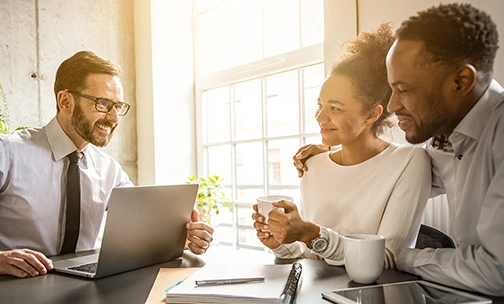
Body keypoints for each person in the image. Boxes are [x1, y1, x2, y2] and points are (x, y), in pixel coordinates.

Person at [294, 3, 504, 296]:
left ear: (461, 81)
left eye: (404, 89)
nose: (392, 106)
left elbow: (496, 273)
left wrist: (395, 257)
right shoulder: (442, 143)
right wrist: (337, 154)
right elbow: (387, 169)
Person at [0, 50, 214, 278]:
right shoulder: (8, 152)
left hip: (80, 287)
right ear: (65, 101)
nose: (114, 118)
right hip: (14, 288)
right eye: (103, 104)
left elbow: (142, 230)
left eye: (118, 106)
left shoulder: (109, 170)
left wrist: (182, 239)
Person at [252, 24, 431, 270]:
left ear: (371, 114)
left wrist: (311, 234)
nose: (320, 117)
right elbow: (309, 255)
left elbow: (387, 259)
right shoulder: (312, 164)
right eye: (320, 105)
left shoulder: (409, 161)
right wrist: (280, 241)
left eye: (335, 108)